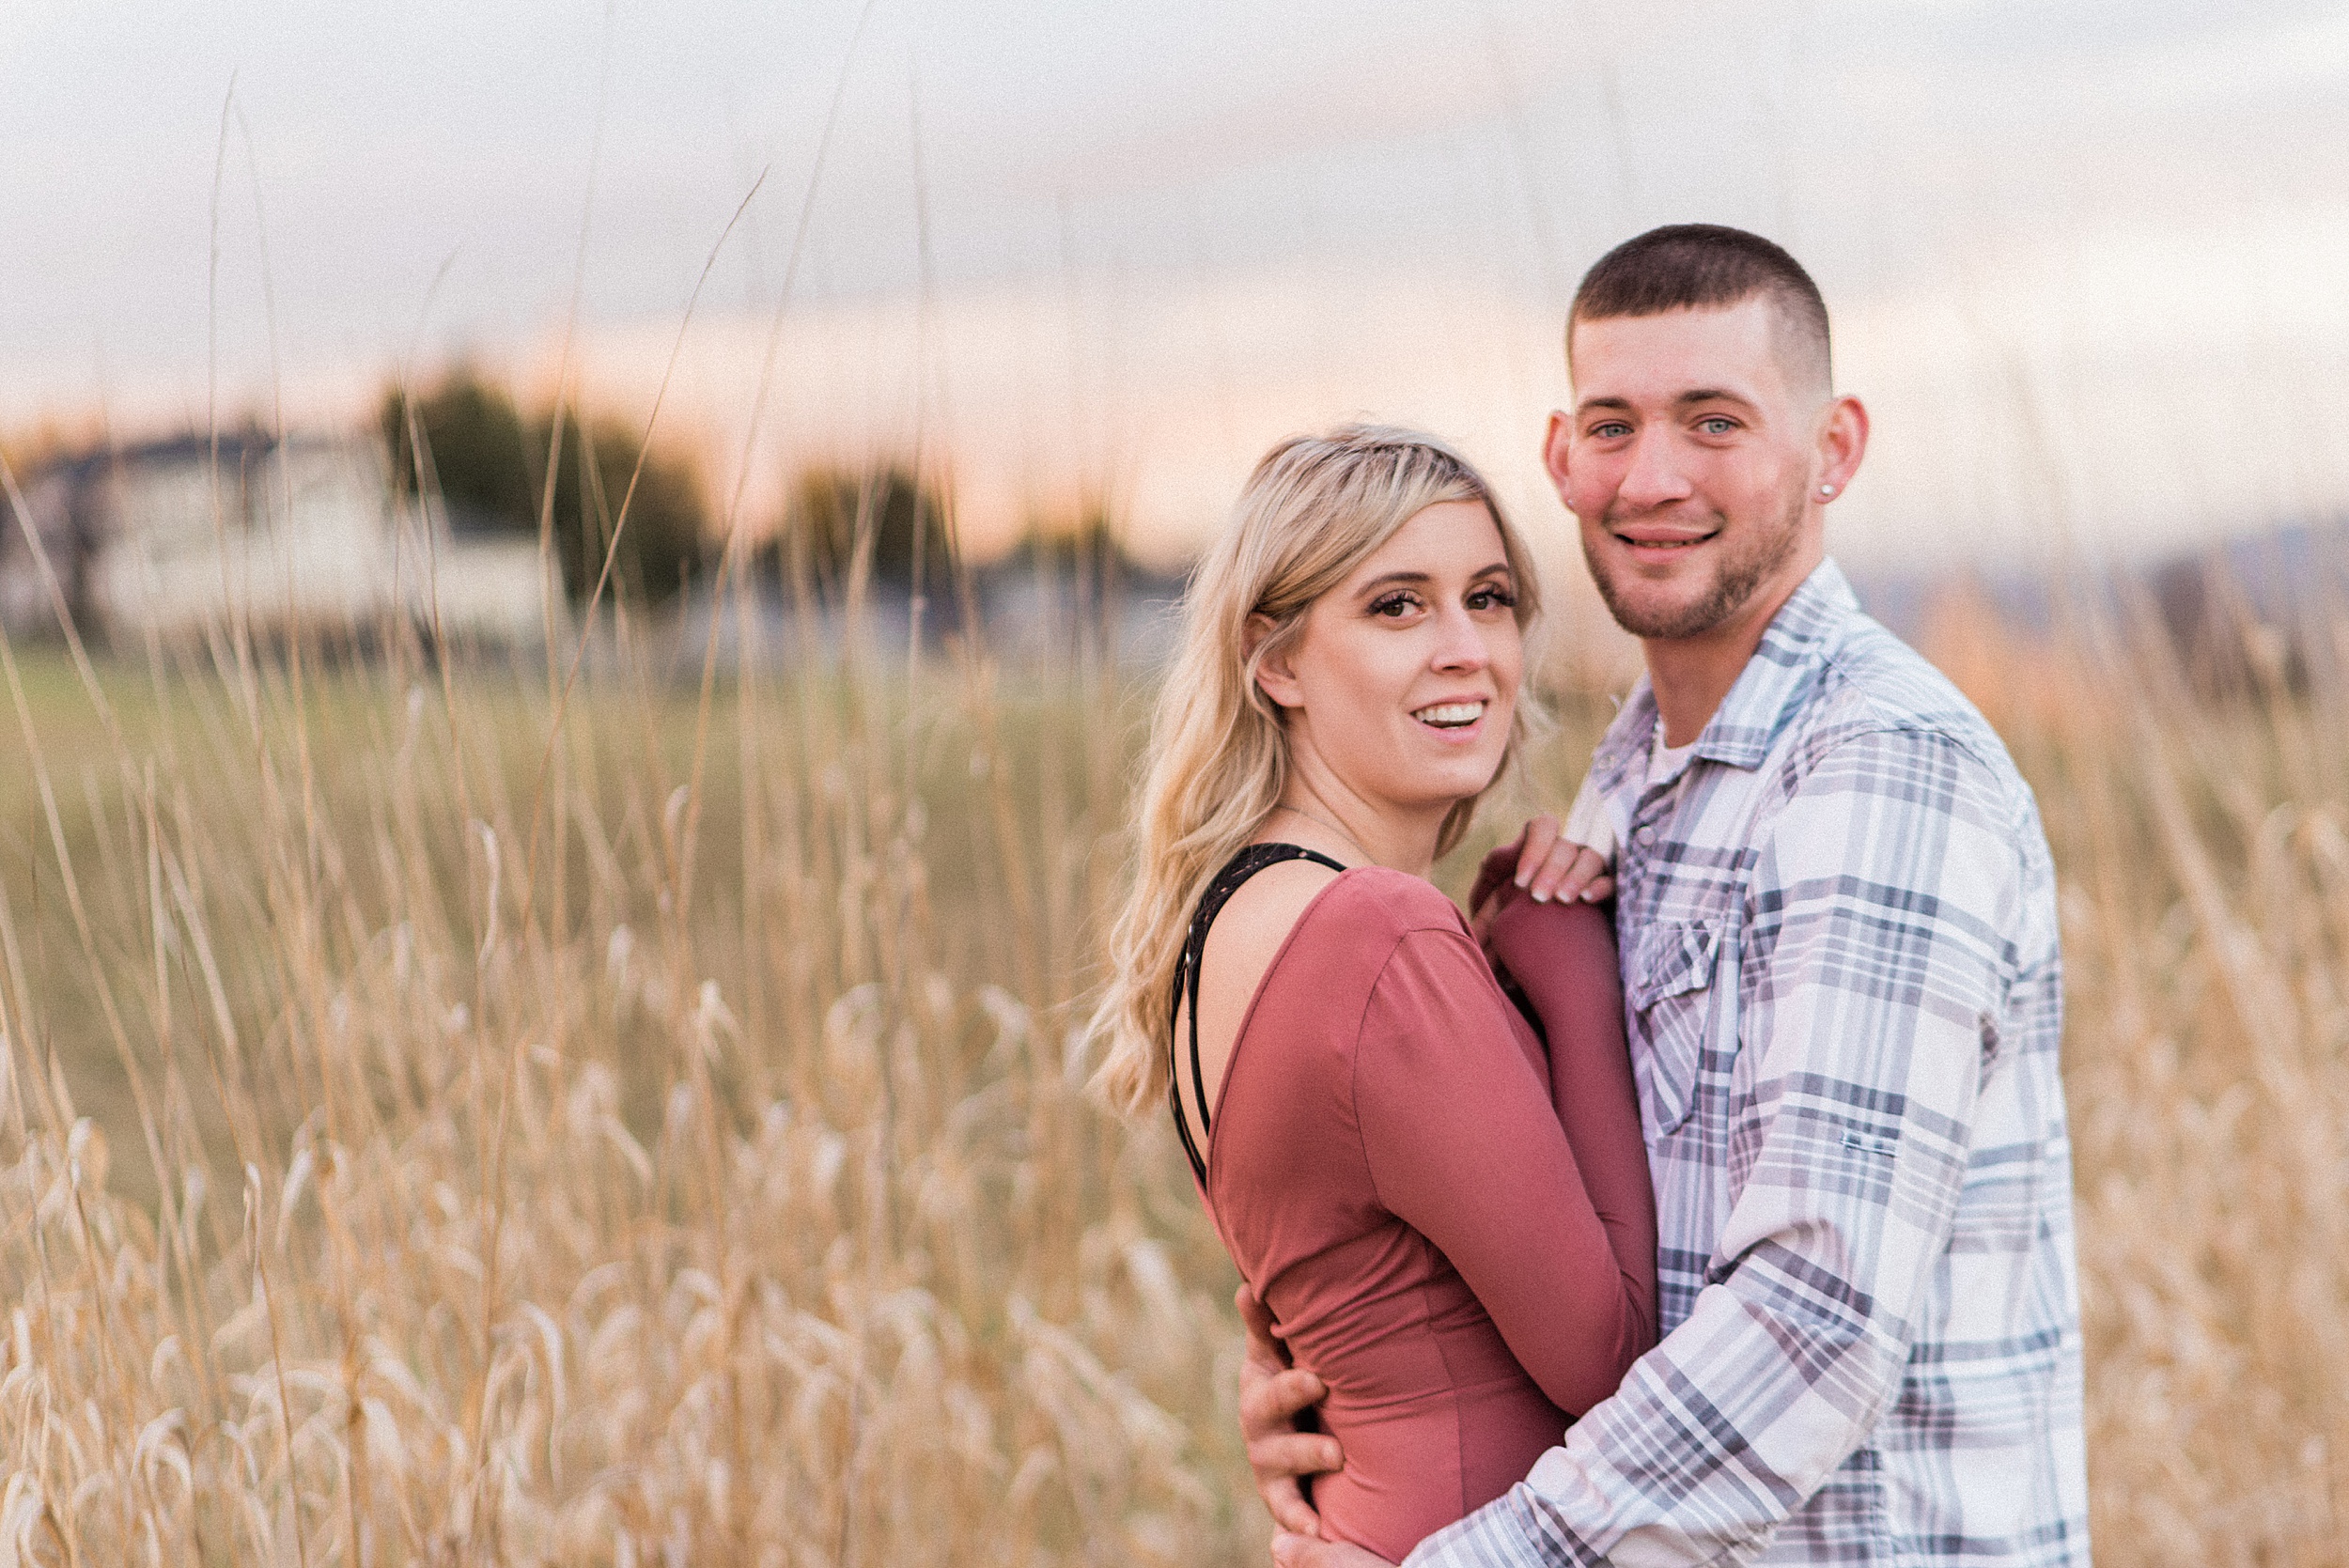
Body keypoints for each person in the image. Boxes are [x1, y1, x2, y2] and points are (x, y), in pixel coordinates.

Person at [1246, 226, 2090, 1568]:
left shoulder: (1876, 771)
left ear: (1834, 449)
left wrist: (1468, 1561)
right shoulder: (1633, 774)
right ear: (1560, 456)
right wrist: (1360, 1386)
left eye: (1713, 422)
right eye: (1612, 424)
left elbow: (1815, 1322)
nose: (1652, 478)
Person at [1088, 426, 1660, 1561]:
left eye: (1488, 598)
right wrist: (1569, 968)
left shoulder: (1231, 919)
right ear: (1277, 659)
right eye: (1397, 605)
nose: (1465, 648)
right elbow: (1613, 1359)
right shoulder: (1377, 936)